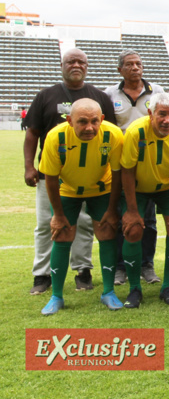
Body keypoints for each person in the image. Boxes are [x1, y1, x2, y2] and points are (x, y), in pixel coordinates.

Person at [24, 48, 117, 295]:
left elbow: (109, 136)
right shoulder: (46, 95)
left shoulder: (98, 96)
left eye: (81, 62)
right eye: (70, 61)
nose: (76, 65)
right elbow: (32, 132)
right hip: (53, 174)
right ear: (62, 65)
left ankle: (82, 270)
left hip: (93, 177)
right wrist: (29, 166)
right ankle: (41, 275)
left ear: (87, 66)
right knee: (49, 223)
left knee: (86, 224)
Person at [37, 99, 124, 315]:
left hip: (101, 190)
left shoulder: (112, 134)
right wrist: (57, 214)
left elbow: (118, 173)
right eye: (82, 122)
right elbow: (50, 177)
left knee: (106, 233)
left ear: (102, 119)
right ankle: (57, 296)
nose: (89, 127)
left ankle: (108, 292)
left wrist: (112, 210)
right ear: (69, 120)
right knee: (62, 234)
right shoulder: (56, 137)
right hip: (67, 190)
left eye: (95, 121)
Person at [119, 93, 169, 307]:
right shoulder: (135, 131)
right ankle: (134, 289)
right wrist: (132, 210)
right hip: (139, 188)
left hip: (168, 187)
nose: (167, 120)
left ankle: (168, 287)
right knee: (133, 229)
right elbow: (127, 170)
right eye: (162, 114)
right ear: (151, 113)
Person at [104, 49, 165, 286]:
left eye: (138, 63)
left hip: (149, 162)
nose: (135, 67)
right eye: (129, 64)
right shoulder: (109, 94)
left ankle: (146, 265)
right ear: (120, 69)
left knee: (148, 219)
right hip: (121, 164)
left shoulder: (157, 91)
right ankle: (121, 267)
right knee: (125, 216)